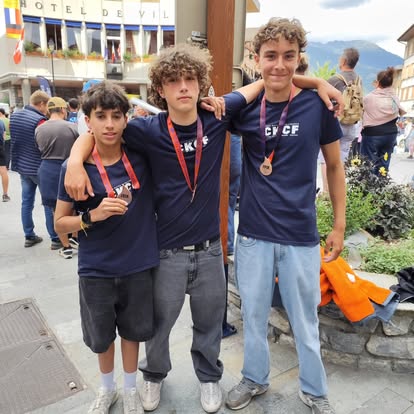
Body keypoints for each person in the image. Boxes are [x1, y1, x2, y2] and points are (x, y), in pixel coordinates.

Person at [64, 43, 343, 413]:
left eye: (190, 79)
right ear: (160, 89)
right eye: (173, 81)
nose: (183, 87)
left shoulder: (217, 116)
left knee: (210, 324)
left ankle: (209, 378)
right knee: (159, 324)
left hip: (211, 249)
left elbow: (266, 81)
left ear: (201, 85)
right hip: (166, 251)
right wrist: (74, 159)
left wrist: (316, 82)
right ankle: (153, 376)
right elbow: (102, 131)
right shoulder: (146, 130)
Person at [225, 18, 345, 414]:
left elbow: (334, 166)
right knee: (254, 316)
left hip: (299, 234)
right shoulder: (246, 108)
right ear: (256, 58)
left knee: (305, 321)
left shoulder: (317, 105)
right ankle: (254, 378)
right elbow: (219, 105)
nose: (279, 64)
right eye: (270, 56)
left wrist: (339, 224)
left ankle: (314, 390)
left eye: (288, 56)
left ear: (299, 58)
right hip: (254, 234)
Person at [54, 81, 159, 414]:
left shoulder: (142, 156)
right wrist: (91, 216)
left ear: (127, 119)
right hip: (96, 268)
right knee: (101, 337)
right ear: (88, 120)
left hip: (138, 263)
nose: (110, 124)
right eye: (101, 116)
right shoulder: (75, 170)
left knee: (133, 332)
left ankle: (130, 389)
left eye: (116, 116)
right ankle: (107, 389)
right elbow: (60, 224)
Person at [9, 90, 61, 248]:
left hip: (22, 165)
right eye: (47, 106)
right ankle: (55, 238)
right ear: (42, 104)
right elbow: (43, 143)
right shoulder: (39, 120)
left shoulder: (15, 116)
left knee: (26, 201)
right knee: (48, 202)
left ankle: (29, 235)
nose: (47, 110)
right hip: (38, 166)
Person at [35, 96, 79, 258]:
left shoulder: (39, 128)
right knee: (74, 204)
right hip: (68, 167)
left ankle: (65, 246)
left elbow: (38, 148)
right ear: (62, 109)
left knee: (56, 210)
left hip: (47, 169)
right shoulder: (72, 127)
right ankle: (75, 237)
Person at [318, 47, 362, 192]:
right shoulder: (359, 80)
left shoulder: (335, 80)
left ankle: (327, 192)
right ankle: (339, 190)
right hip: (352, 124)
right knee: (341, 158)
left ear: (343, 61)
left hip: (336, 121)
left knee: (326, 158)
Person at [360, 67, 406, 175]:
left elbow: (361, 110)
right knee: (384, 163)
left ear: (378, 82)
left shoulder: (369, 98)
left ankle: (368, 184)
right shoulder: (394, 98)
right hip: (390, 134)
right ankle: (381, 183)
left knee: (368, 164)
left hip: (372, 134)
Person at [0, 118, 10, 201]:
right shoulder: (1, 122)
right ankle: (5, 195)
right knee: (3, 170)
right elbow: (4, 135)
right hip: (0, 147)